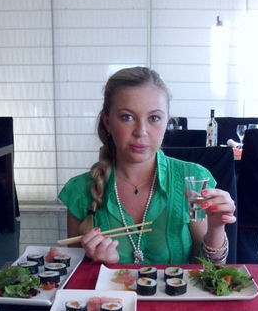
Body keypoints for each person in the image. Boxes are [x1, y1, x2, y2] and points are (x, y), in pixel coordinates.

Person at [58, 66, 236, 265]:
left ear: (167, 122)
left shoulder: (193, 179)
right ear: (107, 122)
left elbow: (209, 269)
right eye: (127, 117)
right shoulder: (80, 191)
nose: (141, 131)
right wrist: (97, 265)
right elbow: (73, 276)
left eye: (154, 118)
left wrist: (216, 228)